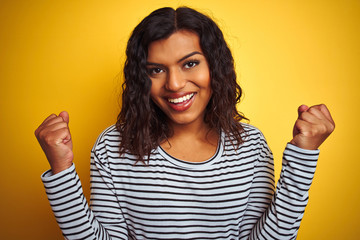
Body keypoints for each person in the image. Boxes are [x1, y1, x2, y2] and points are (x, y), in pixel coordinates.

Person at [35, 7, 335, 240]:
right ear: (142, 79)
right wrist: (61, 169)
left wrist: (303, 154)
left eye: (190, 63)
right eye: (156, 70)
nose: (175, 84)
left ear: (214, 67)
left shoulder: (250, 146)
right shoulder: (114, 146)